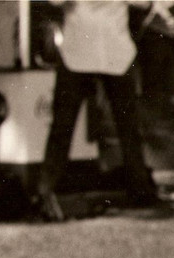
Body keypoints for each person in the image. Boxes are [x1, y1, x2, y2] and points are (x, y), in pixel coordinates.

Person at [33, 0, 158, 222]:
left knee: (128, 127)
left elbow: (144, 2)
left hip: (115, 53)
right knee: (63, 125)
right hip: (78, 54)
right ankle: (45, 192)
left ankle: (141, 190)